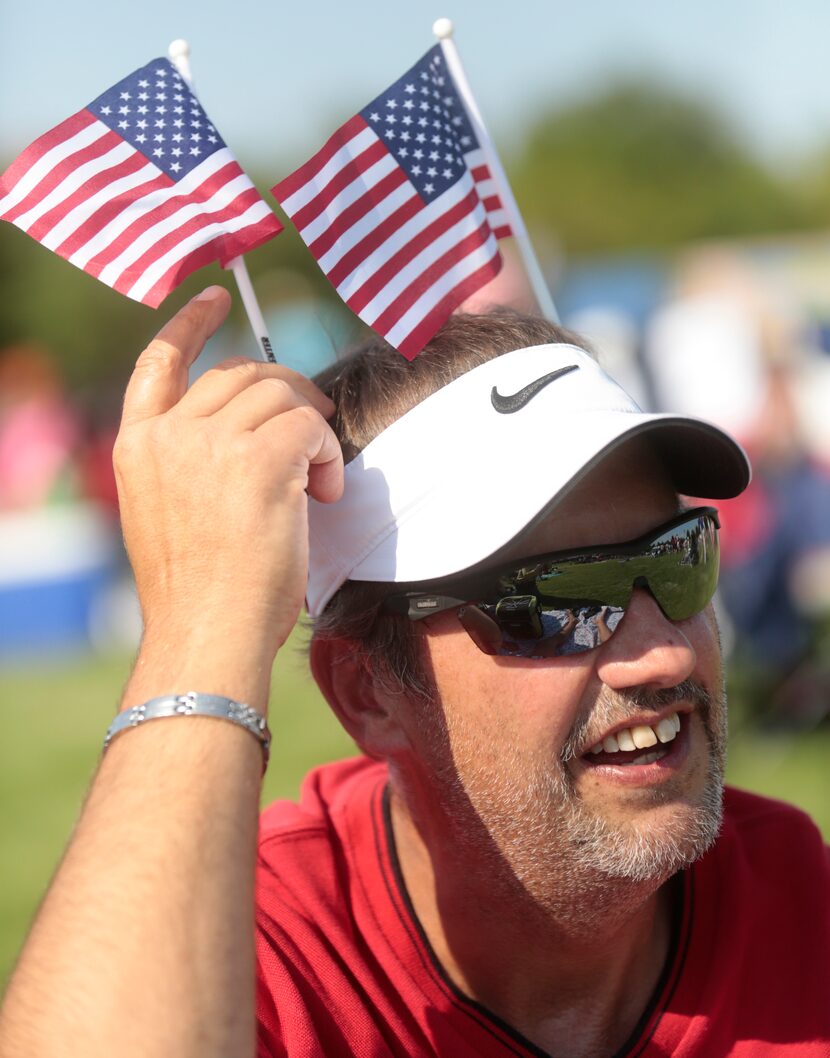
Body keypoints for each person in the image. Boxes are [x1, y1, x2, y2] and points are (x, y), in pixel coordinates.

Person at [0, 287, 827, 1058]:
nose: (668, 652)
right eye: (554, 602)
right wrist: (201, 630)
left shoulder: (793, 898)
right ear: (368, 694)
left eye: (678, 560)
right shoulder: (255, 950)